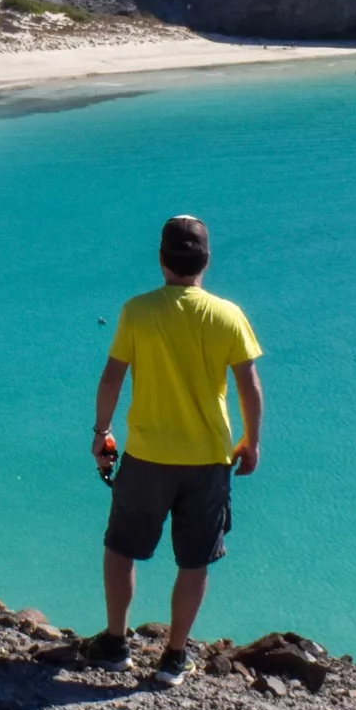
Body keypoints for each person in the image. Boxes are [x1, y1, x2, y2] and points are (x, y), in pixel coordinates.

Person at [85, 214, 264, 686]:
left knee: (120, 547)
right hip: (208, 459)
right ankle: (173, 656)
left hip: (147, 455)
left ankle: (116, 643)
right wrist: (251, 441)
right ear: (205, 260)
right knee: (194, 559)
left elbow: (111, 378)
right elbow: (249, 386)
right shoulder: (228, 315)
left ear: (162, 260)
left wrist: (102, 432)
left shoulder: (138, 311)